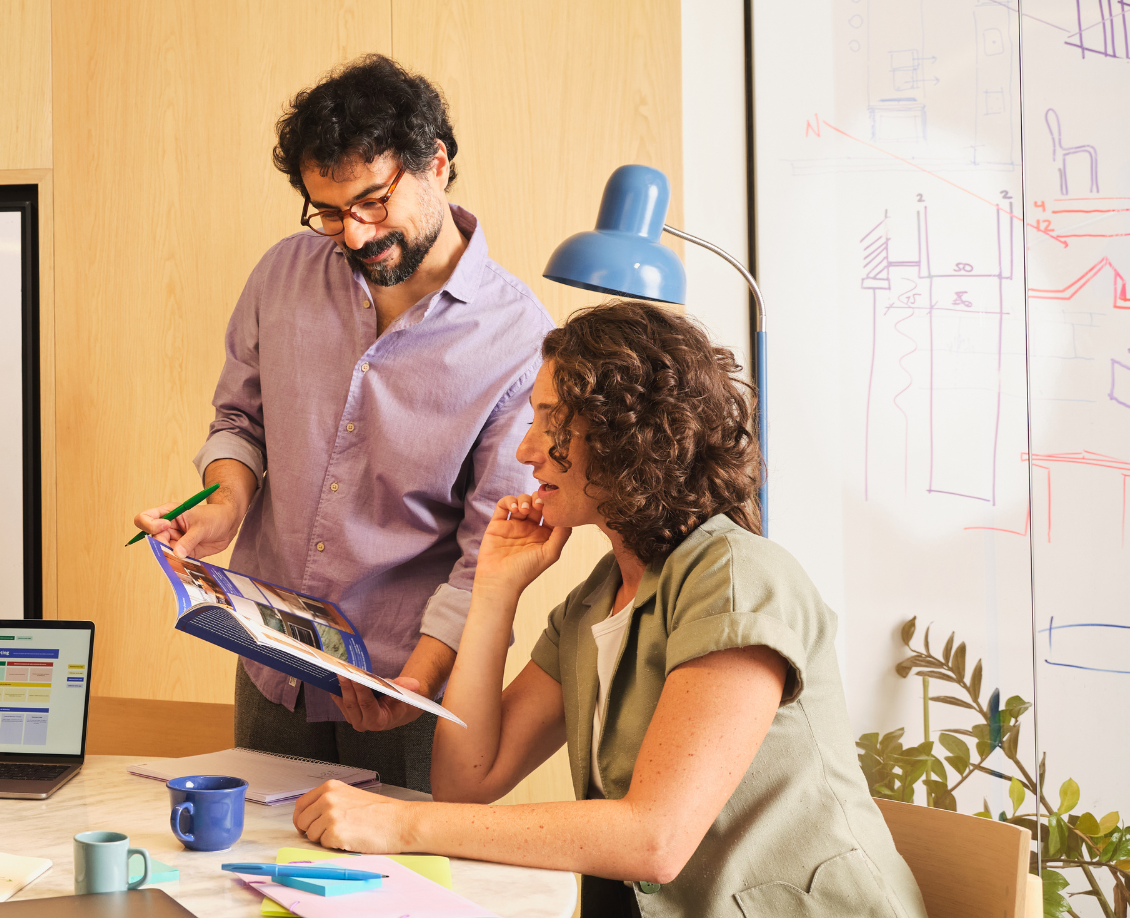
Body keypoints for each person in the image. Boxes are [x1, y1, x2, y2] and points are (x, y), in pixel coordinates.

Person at [293, 302, 928, 918]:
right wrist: (494, 589)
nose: (526, 450)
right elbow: (469, 780)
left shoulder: (737, 577)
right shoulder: (595, 602)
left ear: (627, 434)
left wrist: (399, 825)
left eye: (550, 421)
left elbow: (654, 839)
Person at [132, 54, 550, 790]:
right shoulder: (282, 275)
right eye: (328, 211)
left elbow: (492, 550)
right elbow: (240, 420)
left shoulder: (517, 340)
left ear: (437, 166)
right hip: (273, 671)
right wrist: (224, 504)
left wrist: (415, 685)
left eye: (373, 203)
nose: (353, 234)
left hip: (406, 683)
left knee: (399, 898)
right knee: (249, 885)